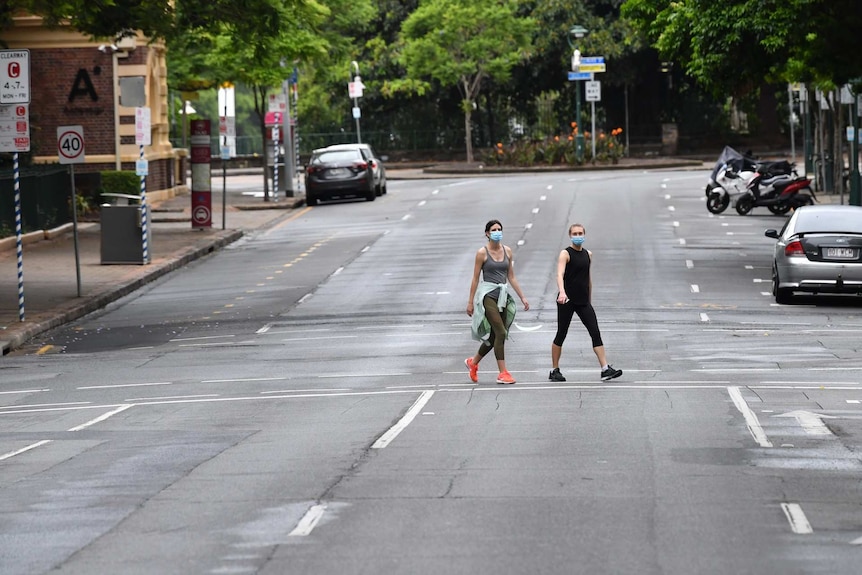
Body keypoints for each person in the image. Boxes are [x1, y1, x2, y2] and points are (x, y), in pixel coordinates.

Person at [549, 223, 622, 382]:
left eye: (580, 233)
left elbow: (588, 279)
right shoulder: (565, 254)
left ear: (584, 234)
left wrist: (589, 300)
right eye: (574, 233)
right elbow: (559, 274)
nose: (578, 235)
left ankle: (605, 369)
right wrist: (562, 292)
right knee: (561, 333)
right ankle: (554, 369)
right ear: (570, 235)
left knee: (595, 331)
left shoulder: (588, 254)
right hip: (566, 300)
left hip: (583, 301)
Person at [465, 220, 530, 384]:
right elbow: (475, 278)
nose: (497, 232)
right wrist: (470, 302)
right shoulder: (482, 253)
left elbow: (511, 276)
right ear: (487, 233)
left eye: (499, 229)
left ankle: (473, 363)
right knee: (501, 333)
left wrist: (522, 297)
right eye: (493, 230)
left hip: (503, 296)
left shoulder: (507, 251)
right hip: (488, 295)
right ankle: (503, 373)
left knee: (495, 335)